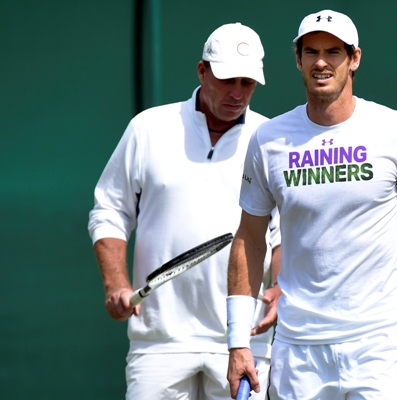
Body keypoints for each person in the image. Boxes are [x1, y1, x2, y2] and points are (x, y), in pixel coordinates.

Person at [226, 9, 397, 400]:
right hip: (299, 349)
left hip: (379, 343)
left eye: (333, 51)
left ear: (355, 58)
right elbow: (249, 239)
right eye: (310, 51)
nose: (321, 62)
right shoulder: (268, 140)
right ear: (298, 60)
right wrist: (237, 341)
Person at [88, 22, 281, 400]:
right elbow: (110, 209)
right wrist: (116, 283)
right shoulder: (147, 128)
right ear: (202, 70)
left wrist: (279, 284)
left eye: (247, 83)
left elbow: (283, 232)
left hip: (244, 340)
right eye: (227, 80)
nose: (238, 93)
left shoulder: (270, 139)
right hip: (159, 342)